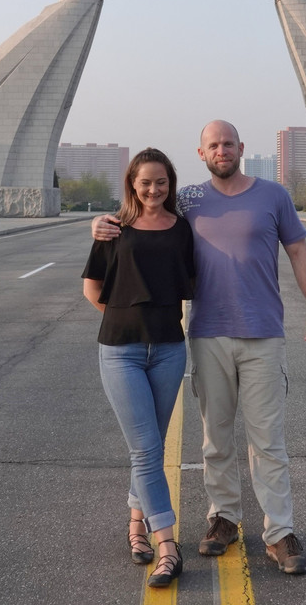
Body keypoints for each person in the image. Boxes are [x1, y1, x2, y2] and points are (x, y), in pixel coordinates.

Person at [93, 120, 306, 575]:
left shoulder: (273, 196)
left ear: (242, 148)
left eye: (228, 143)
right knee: (215, 439)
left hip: (263, 334)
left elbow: (298, 251)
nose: (222, 150)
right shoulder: (188, 201)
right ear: (201, 154)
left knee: (268, 441)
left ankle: (280, 533)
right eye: (213, 145)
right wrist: (97, 223)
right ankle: (223, 519)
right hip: (206, 334)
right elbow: (141, 216)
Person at [82, 148, 196, 588]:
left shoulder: (181, 230)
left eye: (162, 182)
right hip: (121, 351)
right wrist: (126, 316)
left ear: (170, 184)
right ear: (132, 183)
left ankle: (136, 526)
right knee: (147, 449)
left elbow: (192, 283)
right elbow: (93, 290)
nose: (154, 189)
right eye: (145, 182)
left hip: (169, 349)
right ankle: (168, 545)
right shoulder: (113, 229)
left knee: (148, 444)